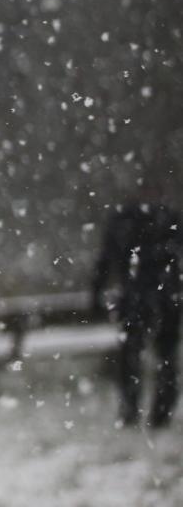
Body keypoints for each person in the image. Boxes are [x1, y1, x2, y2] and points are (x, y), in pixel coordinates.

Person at [92, 181, 181, 429]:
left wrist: (98, 290)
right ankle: (150, 410)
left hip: (144, 296)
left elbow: (106, 259)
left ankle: (139, 409)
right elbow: (108, 258)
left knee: (140, 355)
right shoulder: (165, 219)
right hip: (157, 296)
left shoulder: (127, 221)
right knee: (155, 356)